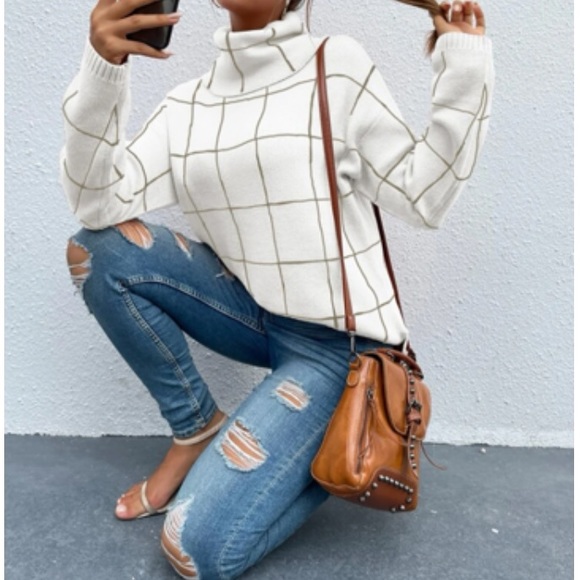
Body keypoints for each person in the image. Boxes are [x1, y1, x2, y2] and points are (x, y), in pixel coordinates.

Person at [61, 0, 493, 577]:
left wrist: (463, 61)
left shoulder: (335, 66)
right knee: (99, 252)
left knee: (196, 549)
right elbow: (95, 204)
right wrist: (103, 68)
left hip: (339, 350)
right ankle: (196, 428)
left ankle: (318, 446)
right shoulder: (187, 106)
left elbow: (426, 197)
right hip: (254, 316)